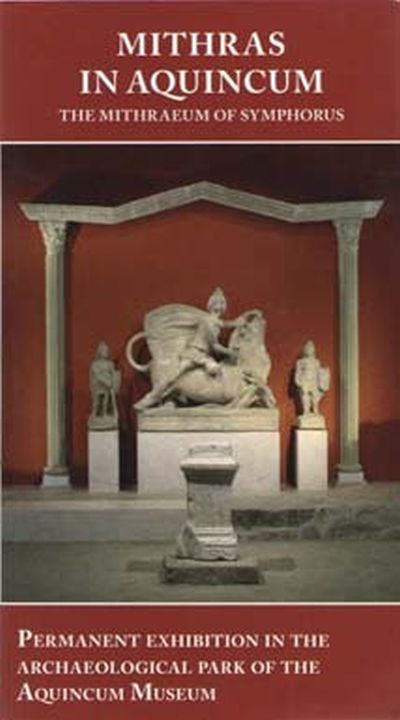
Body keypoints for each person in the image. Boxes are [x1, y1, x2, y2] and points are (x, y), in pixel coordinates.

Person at [135, 288, 243, 409]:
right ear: (211, 305)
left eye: (222, 303)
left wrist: (237, 322)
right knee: (174, 376)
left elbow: (225, 324)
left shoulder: (215, 321)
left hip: (203, 355)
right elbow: (214, 346)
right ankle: (152, 397)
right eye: (217, 303)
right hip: (194, 353)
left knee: (213, 369)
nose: (219, 306)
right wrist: (230, 353)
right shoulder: (207, 321)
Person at [89, 342, 121, 426]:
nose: (106, 352)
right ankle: (99, 417)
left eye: (107, 350)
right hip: (100, 388)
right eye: (104, 350)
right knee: (100, 403)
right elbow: (97, 375)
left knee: (109, 403)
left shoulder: (110, 364)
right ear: (100, 351)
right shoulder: (95, 364)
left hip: (109, 389)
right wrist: (107, 382)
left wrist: (114, 380)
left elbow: (113, 374)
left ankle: (108, 416)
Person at [294, 340, 325, 415]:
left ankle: (315, 409)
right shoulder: (301, 362)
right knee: (305, 396)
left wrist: (321, 383)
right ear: (304, 350)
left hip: (314, 382)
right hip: (305, 381)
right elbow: (298, 372)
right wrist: (298, 381)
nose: (309, 350)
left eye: (311, 348)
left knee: (315, 397)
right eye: (308, 348)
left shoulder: (316, 362)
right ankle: (306, 411)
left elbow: (318, 373)